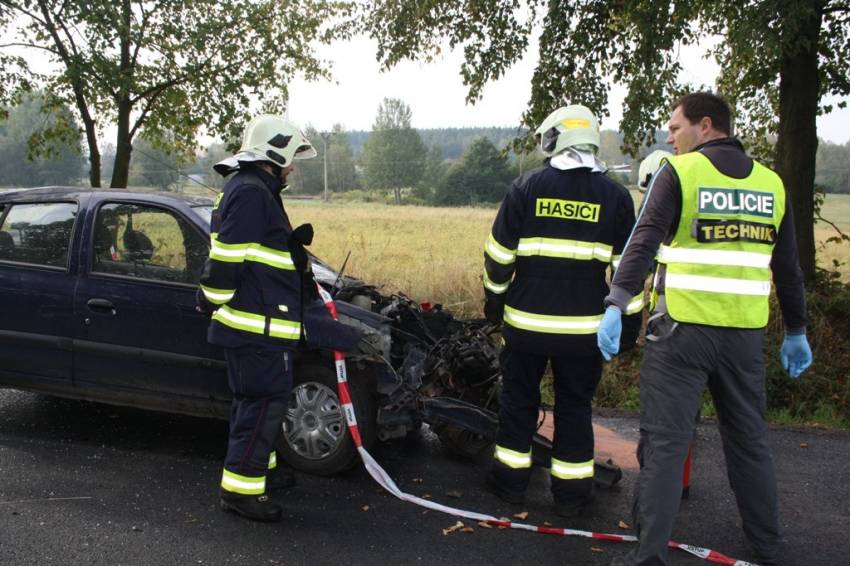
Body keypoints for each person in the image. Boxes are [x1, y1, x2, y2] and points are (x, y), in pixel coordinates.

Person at [598, 92, 813, 565]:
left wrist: (616, 302)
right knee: (750, 441)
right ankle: (769, 547)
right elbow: (790, 268)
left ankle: (647, 557)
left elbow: (643, 241)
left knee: (665, 444)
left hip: (681, 335)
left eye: (676, 128)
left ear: (706, 125)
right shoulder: (772, 185)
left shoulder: (681, 173)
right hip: (743, 338)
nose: (671, 137)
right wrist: (796, 329)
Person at [484, 104, 643, 517]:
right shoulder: (615, 197)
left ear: (555, 138)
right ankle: (572, 496)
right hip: (584, 332)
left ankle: (510, 486)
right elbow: (629, 270)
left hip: (525, 326)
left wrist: (494, 302)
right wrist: (628, 328)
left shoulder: (526, 188)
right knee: (574, 408)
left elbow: (499, 257)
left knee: (518, 400)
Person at [196, 114, 319, 522]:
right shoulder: (251, 192)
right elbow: (227, 260)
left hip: (259, 325)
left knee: (257, 404)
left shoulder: (254, 189)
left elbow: (259, 254)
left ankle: (258, 472)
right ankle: (241, 493)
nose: (293, 168)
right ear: (275, 151)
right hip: (257, 329)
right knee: (260, 405)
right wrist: (211, 299)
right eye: (291, 158)